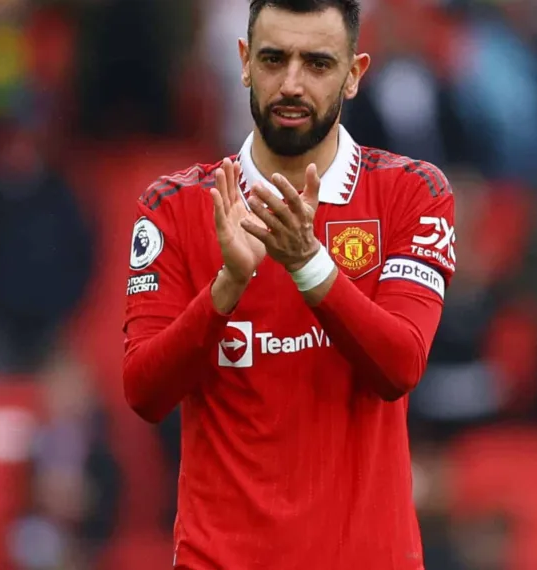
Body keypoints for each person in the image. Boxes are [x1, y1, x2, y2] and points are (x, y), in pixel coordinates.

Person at [121, 1, 456, 568]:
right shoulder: (173, 207)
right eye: (274, 59)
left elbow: (399, 365)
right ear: (244, 63)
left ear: (354, 74)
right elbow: (144, 393)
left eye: (318, 63)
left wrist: (308, 264)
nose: (292, 84)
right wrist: (229, 285)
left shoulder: (412, 192)